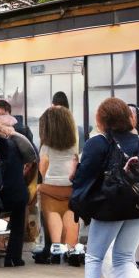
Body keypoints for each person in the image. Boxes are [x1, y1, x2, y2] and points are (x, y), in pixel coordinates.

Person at [73, 97, 139, 278]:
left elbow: (84, 176)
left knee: (94, 256)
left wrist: (81, 203)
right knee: (125, 257)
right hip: (138, 206)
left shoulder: (98, 143)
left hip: (108, 206)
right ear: (128, 118)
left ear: (102, 119)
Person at [0, 112, 37, 266]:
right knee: (18, 223)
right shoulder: (19, 144)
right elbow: (32, 159)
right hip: (17, 193)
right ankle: (14, 257)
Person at [36, 102, 81, 266]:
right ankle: (71, 250)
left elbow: (43, 167)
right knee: (70, 214)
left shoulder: (46, 147)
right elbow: (76, 162)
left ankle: (55, 251)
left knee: (52, 213)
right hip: (70, 186)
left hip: (50, 187)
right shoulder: (72, 145)